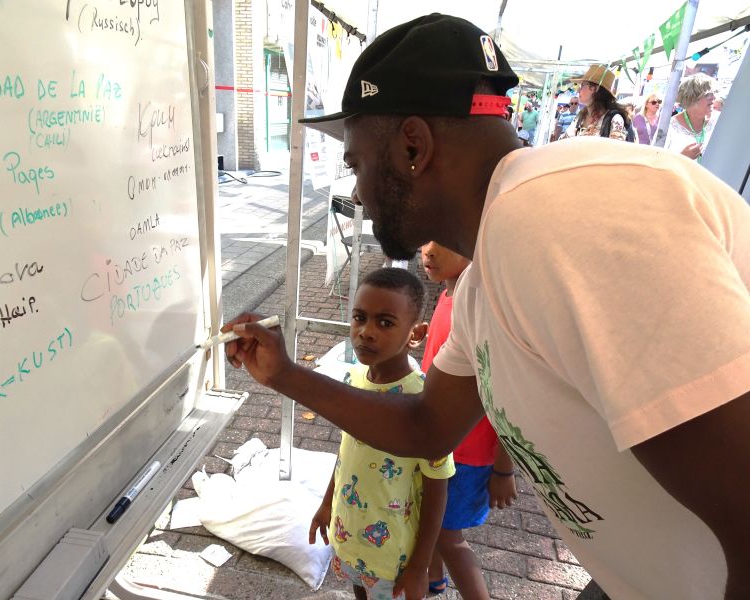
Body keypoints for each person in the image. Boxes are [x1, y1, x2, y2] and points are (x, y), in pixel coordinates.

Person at [226, 14, 750, 600]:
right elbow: (428, 426)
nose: (358, 193)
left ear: (412, 146)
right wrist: (284, 375)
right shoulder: (487, 272)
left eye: (357, 165)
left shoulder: (562, 219)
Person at [309, 267, 455, 600]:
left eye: (385, 323)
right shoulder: (354, 379)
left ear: (416, 334)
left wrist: (421, 564)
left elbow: (437, 488)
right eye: (359, 318)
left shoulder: (423, 402)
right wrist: (327, 502)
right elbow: (346, 452)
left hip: (393, 556)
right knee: (359, 590)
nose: (366, 332)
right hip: (350, 533)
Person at [420, 241, 517, 598]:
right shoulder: (449, 294)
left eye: (443, 241)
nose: (429, 251)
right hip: (439, 442)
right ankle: (433, 579)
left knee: (449, 537)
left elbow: (507, 397)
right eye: (426, 240)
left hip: (468, 455)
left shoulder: (481, 306)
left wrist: (504, 469)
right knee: (429, 520)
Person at [560, 64, 632, 141]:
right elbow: (564, 140)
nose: (578, 90)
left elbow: (616, 147)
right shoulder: (581, 117)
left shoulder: (614, 119)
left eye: (582, 85)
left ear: (595, 88)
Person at [664, 73, 720, 162]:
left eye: (714, 93)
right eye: (708, 94)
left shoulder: (721, 121)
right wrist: (682, 158)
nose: (714, 97)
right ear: (692, 98)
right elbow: (658, 162)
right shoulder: (669, 127)